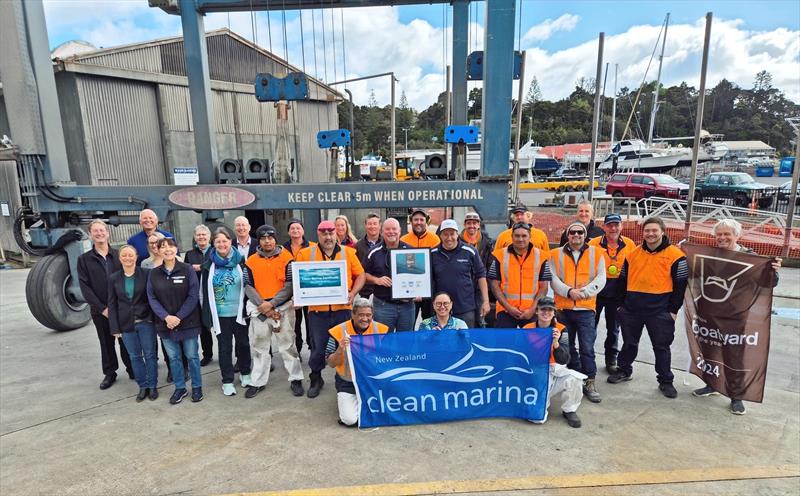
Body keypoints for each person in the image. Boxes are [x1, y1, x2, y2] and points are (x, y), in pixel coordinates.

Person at [692, 218, 782, 415]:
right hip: (708, 314)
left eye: (727, 234)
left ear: (737, 236)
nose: (722, 238)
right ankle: (711, 384)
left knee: (734, 357)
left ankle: (736, 396)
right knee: (709, 352)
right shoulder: (711, 255)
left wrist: (774, 272)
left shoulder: (749, 259)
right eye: (719, 234)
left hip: (734, 317)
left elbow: (768, 283)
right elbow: (694, 273)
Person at [608, 216, 688, 399]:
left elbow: (681, 285)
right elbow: (622, 281)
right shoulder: (633, 254)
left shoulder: (677, 256)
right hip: (631, 310)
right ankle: (624, 370)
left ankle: (665, 380)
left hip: (660, 311)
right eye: (647, 231)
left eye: (654, 230)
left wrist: (673, 311)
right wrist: (621, 306)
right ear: (642, 233)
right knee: (629, 343)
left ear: (662, 232)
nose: (650, 234)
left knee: (661, 347)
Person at [295, 220, 365, 398]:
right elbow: (298, 279)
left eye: (331, 233)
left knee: (345, 346)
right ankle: (316, 378)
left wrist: (353, 293)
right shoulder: (305, 254)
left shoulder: (348, 253)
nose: (328, 237)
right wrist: (298, 295)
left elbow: (361, 275)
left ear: (337, 234)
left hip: (342, 310)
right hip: (317, 313)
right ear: (318, 235)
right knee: (318, 347)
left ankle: (345, 378)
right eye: (324, 234)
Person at [244, 224, 304, 398]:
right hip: (259, 308)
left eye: (270, 237)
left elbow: (290, 285)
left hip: (283, 308)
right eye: (263, 238)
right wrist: (263, 304)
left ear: (275, 239)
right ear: (259, 241)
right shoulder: (251, 261)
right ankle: (258, 381)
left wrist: (273, 304)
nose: (267, 241)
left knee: (288, 345)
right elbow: (248, 285)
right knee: (259, 346)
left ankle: (296, 378)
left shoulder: (287, 258)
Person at [549, 221, 606, 403]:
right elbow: (553, 278)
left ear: (584, 235)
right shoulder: (555, 255)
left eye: (580, 232)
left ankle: (589, 380)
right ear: (567, 235)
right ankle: (574, 376)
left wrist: (583, 293)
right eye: (572, 232)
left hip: (586, 309)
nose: (576, 235)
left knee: (587, 347)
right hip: (563, 309)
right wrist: (568, 292)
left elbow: (601, 278)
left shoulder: (597, 254)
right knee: (568, 346)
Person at [146, 238, 203, 404]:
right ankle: (180, 388)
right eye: (163, 247)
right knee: (174, 358)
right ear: (158, 251)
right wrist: (166, 317)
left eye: (170, 246)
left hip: (188, 322)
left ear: (176, 249)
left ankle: (197, 387)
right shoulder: (154, 273)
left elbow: (193, 296)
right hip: (165, 325)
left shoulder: (187, 270)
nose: (167, 250)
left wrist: (178, 317)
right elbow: (152, 298)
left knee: (192, 356)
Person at [77, 220, 133, 389]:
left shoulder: (119, 256)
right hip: (100, 310)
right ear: (90, 234)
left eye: (102, 230)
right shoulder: (84, 259)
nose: (99, 233)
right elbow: (85, 287)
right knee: (106, 342)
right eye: (96, 231)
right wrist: (102, 308)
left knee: (126, 341)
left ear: (108, 233)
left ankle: (132, 369)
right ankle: (110, 373)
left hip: (121, 308)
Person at [201, 227, 252, 396]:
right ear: (213, 244)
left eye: (225, 241)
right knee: (224, 348)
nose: (222, 244)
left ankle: (245, 373)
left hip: (239, 312)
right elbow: (203, 293)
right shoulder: (208, 265)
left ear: (231, 241)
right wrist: (206, 315)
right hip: (220, 315)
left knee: (243, 345)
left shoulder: (242, 261)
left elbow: (249, 286)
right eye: (218, 241)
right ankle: (227, 380)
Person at [326, 298, 389, 426]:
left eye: (368, 315)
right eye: (361, 315)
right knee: (349, 420)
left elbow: (390, 357)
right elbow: (331, 363)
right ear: (353, 314)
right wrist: (340, 349)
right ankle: (348, 401)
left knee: (389, 411)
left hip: (373, 382)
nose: (365, 319)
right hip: (347, 382)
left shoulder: (382, 330)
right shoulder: (338, 331)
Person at [108, 245, 158, 402]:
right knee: (134, 357)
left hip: (145, 322)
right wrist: (115, 327)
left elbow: (153, 298)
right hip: (126, 324)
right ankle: (143, 386)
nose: (128, 258)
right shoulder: (114, 278)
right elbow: (112, 304)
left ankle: (153, 385)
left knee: (150, 355)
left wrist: (153, 318)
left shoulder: (147, 274)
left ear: (136, 257)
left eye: (131, 255)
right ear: (120, 258)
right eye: (124, 255)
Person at [523, 297, 583, 428]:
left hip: (556, 369)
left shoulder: (561, 329)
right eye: (543, 309)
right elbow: (522, 356)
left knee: (575, 378)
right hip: (536, 371)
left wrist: (556, 343)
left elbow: (565, 359)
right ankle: (536, 400)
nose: (546, 312)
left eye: (550, 310)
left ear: (554, 313)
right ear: (537, 311)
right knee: (537, 419)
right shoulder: (527, 329)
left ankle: (569, 410)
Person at [588, 213, 635, 374]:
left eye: (616, 225)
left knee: (613, 328)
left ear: (621, 226)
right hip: (595, 291)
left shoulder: (629, 244)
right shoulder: (593, 243)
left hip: (617, 292)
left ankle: (611, 359)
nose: (613, 228)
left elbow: (633, 269)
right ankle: (588, 358)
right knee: (589, 327)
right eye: (610, 225)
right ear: (604, 227)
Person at [488, 223, 551, 328]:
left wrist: (532, 309)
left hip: (531, 311)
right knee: (505, 344)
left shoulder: (542, 256)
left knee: (531, 344)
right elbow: (494, 285)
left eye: (524, 236)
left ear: (530, 237)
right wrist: (509, 308)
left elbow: (544, 287)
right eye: (517, 236)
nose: (520, 239)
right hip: (505, 311)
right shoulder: (499, 256)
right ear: (512, 237)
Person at [430, 219, 490, 328]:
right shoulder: (432, 254)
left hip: (465, 308)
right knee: (443, 342)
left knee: (465, 341)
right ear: (440, 236)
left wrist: (486, 301)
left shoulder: (470, 251)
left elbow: (481, 275)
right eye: (445, 234)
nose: (449, 238)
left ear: (457, 234)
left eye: (452, 234)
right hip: (441, 309)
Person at [363, 218, 415, 332]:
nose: (391, 232)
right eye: (387, 229)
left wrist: (418, 291)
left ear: (400, 231)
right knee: (384, 341)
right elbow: (363, 275)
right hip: (383, 305)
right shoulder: (373, 252)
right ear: (382, 231)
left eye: (394, 229)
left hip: (407, 306)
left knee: (405, 342)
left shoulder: (410, 251)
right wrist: (377, 280)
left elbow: (418, 274)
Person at [401, 208, 440, 322]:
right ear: (411, 221)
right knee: (409, 322)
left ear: (426, 221)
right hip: (409, 287)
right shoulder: (403, 240)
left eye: (421, 220)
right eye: (416, 219)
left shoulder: (435, 239)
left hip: (429, 288)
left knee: (429, 321)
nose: (418, 222)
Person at [284, 218, 316, 355]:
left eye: (298, 228)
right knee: (294, 323)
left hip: (309, 290)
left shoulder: (313, 247)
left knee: (312, 322)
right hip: (290, 292)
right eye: (292, 228)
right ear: (288, 232)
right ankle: (296, 349)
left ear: (303, 230)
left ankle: (313, 347)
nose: (295, 230)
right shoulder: (282, 249)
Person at [183, 225, 214, 366]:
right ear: (195, 237)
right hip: (197, 294)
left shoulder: (215, 251)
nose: (201, 237)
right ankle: (207, 354)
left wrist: (200, 267)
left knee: (219, 326)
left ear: (209, 237)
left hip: (214, 292)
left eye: (204, 234)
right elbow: (185, 271)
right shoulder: (190, 254)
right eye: (198, 235)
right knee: (203, 327)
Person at [461, 211, 496, 326]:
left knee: (480, 318)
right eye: (469, 223)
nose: (472, 226)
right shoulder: (458, 241)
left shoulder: (487, 243)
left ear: (479, 225)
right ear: (464, 225)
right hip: (464, 287)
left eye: (475, 223)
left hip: (481, 287)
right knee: (465, 318)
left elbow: (491, 265)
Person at [355, 213, 382, 299]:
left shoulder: (386, 244)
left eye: (375, 224)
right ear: (365, 226)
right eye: (370, 224)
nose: (372, 226)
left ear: (380, 226)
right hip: (365, 292)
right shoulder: (358, 246)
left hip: (382, 290)